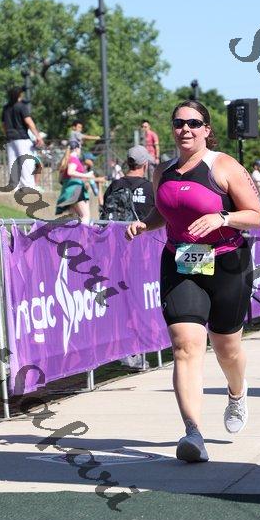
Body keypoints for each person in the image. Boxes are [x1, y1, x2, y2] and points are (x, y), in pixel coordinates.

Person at [126, 100, 260, 463]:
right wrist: (145, 224)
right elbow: (163, 211)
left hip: (227, 262)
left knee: (227, 348)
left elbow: (256, 216)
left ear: (206, 129)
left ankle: (237, 393)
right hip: (181, 261)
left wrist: (222, 218)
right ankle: (193, 433)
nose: (185, 129)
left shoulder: (224, 166)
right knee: (185, 345)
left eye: (193, 123)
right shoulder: (164, 170)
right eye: (179, 123)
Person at [102, 145, 156, 370]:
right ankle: (139, 351)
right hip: (143, 254)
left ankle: (126, 350)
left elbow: (104, 217)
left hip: (116, 251)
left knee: (123, 301)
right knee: (142, 301)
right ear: (145, 164)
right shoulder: (150, 188)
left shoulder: (114, 186)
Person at [1, 86, 44, 190]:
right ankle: (27, 186)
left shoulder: (6, 108)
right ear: (20, 94)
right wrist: (38, 136)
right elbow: (29, 122)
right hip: (22, 138)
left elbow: (3, 125)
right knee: (26, 162)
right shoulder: (21, 106)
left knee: (13, 162)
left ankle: (14, 186)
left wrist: (7, 134)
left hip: (10, 138)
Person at [56, 140, 105, 224]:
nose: (80, 151)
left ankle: (73, 233)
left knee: (74, 218)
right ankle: (83, 233)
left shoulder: (66, 160)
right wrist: (86, 175)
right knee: (85, 216)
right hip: (76, 190)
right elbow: (70, 172)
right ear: (76, 149)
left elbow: (60, 179)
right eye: (80, 148)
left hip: (67, 191)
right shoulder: (74, 159)